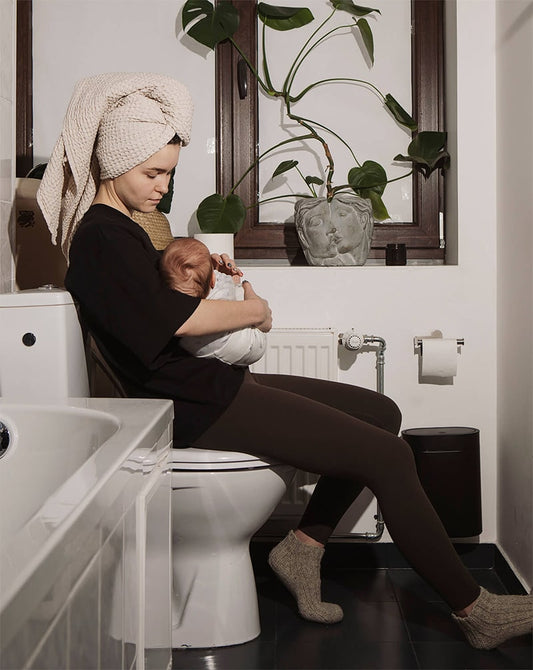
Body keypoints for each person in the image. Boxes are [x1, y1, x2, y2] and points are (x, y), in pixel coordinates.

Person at [37, 72, 532, 652]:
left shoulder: (125, 230)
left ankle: (302, 550)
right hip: (189, 406)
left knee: (381, 411)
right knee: (390, 457)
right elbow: (178, 323)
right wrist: (255, 312)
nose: (163, 187)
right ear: (112, 162)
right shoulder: (102, 236)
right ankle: (474, 610)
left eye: (168, 172)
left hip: (205, 384)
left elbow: (167, 308)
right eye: (153, 173)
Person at [160, 237, 266, 366]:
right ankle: (247, 288)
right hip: (250, 346)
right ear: (212, 280)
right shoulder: (220, 286)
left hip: (205, 353)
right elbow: (226, 283)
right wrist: (231, 281)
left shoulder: (174, 310)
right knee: (240, 290)